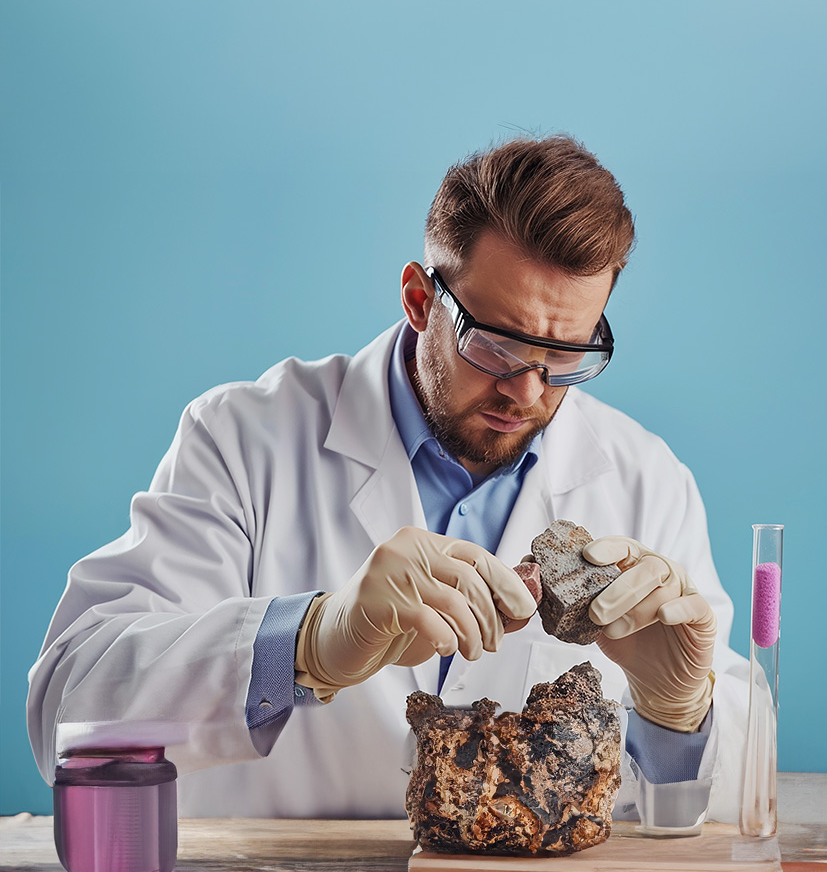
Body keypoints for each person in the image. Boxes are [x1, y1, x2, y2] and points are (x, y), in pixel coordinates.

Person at [27, 135, 748, 829]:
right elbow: (68, 709)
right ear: (417, 300)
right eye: (495, 345)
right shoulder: (245, 438)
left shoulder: (645, 477)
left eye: (564, 355)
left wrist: (680, 715)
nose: (528, 393)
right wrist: (305, 642)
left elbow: (742, 800)